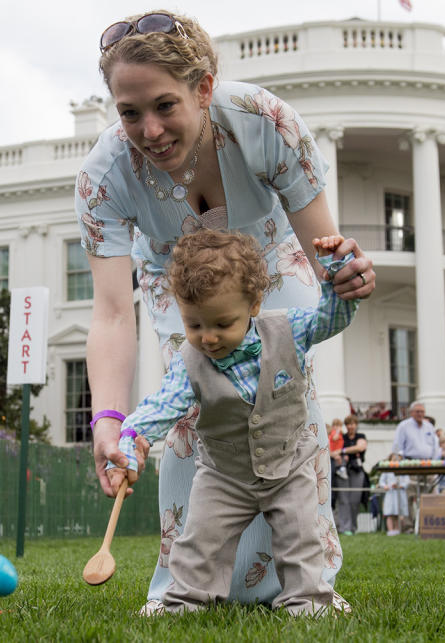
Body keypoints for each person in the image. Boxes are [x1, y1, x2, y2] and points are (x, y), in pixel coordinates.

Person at [81, 10, 375, 614]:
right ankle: (186, 586)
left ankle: (303, 583)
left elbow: (327, 256)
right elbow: (113, 314)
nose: (150, 130)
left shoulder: (265, 124)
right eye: (130, 112)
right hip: (176, 278)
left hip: (273, 257)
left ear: (205, 87)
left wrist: (346, 275)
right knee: (190, 410)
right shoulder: (103, 176)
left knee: (285, 402)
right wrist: (109, 421)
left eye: (165, 105)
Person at [118, 230, 357, 614]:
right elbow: (164, 404)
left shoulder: (288, 330)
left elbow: (332, 319)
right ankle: (184, 603)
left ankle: (308, 602)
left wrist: (336, 273)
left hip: (290, 466)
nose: (208, 338)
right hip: (223, 475)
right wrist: (133, 436)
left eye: (221, 324)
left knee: (301, 538)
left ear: (254, 303)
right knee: (200, 542)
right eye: (194, 325)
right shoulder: (188, 360)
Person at [336, 415, 368, 536]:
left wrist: (343, 451)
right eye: (349, 424)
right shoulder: (342, 437)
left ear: (356, 425)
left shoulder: (361, 436)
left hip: (357, 470)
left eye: (353, 423)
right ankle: (345, 527)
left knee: (355, 500)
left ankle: (353, 526)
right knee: (343, 500)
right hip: (342, 470)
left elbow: (360, 447)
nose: (351, 426)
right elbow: (334, 450)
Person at [378, 453, 409, 536]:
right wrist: (386, 486)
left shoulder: (404, 470)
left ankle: (397, 529)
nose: (396, 462)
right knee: (390, 513)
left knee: (399, 513)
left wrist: (400, 485)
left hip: (400, 493)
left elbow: (406, 482)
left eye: (398, 460)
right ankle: (391, 530)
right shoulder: (387, 470)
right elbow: (381, 482)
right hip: (390, 494)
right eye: (394, 460)